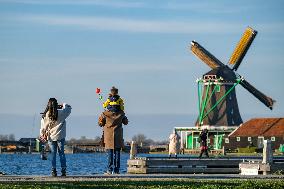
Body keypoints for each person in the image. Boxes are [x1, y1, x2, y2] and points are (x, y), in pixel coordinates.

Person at [40, 98, 72, 177]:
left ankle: (53, 171)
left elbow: (43, 127)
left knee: (53, 155)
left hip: (51, 137)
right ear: (56, 104)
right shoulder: (62, 112)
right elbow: (69, 107)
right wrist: (62, 105)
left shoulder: (46, 114)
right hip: (60, 136)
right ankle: (63, 171)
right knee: (62, 154)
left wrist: (42, 134)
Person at [98, 108, 128, 174]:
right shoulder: (121, 113)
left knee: (110, 153)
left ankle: (109, 170)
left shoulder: (105, 114)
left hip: (109, 136)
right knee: (117, 153)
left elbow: (100, 124)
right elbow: (126, 122)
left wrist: (101, 118)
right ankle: (117, 170)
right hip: (118, 136)